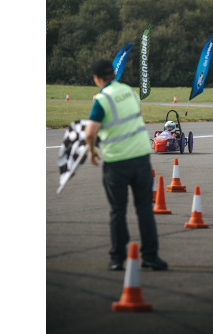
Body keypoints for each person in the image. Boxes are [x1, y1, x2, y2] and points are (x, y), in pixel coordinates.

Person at [85, 59, 168, 271]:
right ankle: (150, 256)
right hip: (141, 157)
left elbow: (91, 131)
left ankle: (117, 258)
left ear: (96, 79)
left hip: (117, 162)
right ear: (113, 74)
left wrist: (92, 151)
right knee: (144, 209)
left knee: (118, 210)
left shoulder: (102, 99)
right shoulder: (131, 92)